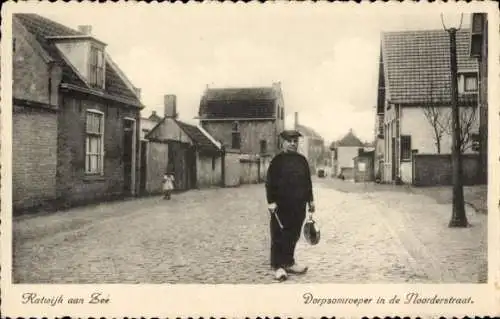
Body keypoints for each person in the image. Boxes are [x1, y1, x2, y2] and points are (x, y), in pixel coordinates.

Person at [265, 129, 315, 281]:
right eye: (289, 141)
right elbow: (270, 183)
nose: (293, 144)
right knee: (279, 234)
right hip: (281, 206)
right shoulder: (277, 161)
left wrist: (311, 200)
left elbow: (307, 182)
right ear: (283, 142)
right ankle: (278, 266)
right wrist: (271, 202)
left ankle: (289, 262)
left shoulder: (302, 161)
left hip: (298, 205)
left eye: (295, 141)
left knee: (294, 234)